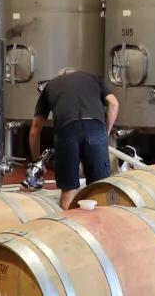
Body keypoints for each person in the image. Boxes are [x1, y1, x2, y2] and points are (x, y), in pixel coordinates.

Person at [30, 67, 120, 210]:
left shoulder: (51, 86)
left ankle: (69, 223)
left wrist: (37, 161)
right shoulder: (93, 78)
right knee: (100, 188)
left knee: (69, 190)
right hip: (95, 127)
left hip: (67, 130)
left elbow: (34, 130)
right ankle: (104, 222)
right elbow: (114, 103)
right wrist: (105, 133)